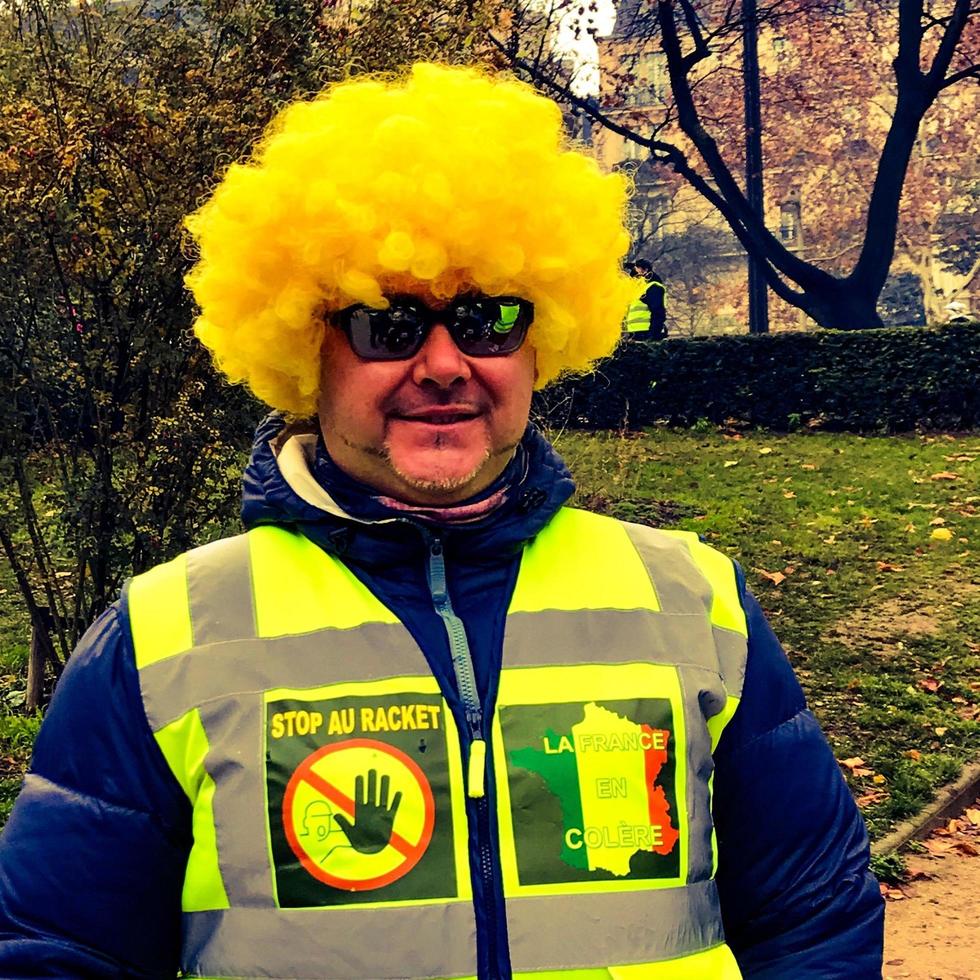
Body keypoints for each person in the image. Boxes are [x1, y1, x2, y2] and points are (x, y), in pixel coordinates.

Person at [0, 64, 883, 979]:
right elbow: (57, 952)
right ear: (306, 343)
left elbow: (815, 918)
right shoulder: (163, 633)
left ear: (542, 338)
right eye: (387, 325)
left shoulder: (695, 601)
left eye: (488, 318)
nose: (445, 364)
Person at [624, 259, 668, 341]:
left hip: (647, 333)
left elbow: (658, 312)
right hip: (637, 333)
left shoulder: (653, 287)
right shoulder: (640, 290)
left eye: (636, 272)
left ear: (645, 271)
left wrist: (653, 335)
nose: (633, 279)